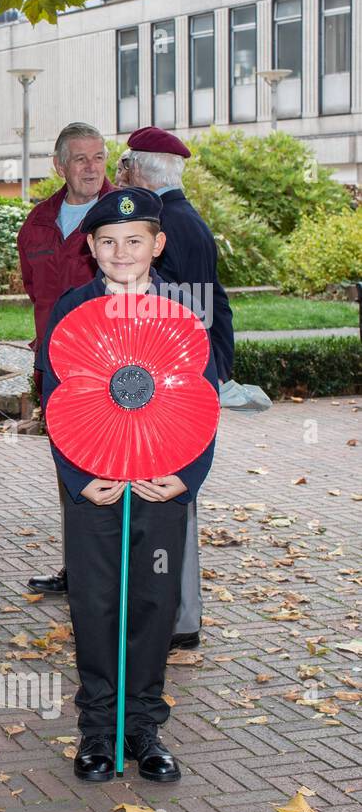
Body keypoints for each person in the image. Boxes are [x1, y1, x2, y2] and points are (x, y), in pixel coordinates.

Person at [37, 187, 218, 784]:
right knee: (94, 603)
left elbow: (203, 400)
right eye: (108, 241)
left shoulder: (181, 315)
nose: (121, 252)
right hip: (95, 488)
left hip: (160, 485)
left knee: (152, 603)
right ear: (91, 247)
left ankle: (142, 726)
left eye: (134, 241)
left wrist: (185, 480)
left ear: (157, 245)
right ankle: (96, 731)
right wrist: (78, 479)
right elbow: (54, 399)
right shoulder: (71, 310)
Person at [125, 126, 236, 653]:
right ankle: (175, 614)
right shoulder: (186, 220)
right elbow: (216, 307)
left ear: (141, 170)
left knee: (170, 500)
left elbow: (182, 316)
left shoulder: (167, 225)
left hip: (172, 381)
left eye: (125, 165)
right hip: (187, 377)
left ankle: (177, 618)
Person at [18, 121, 116, 596]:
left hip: (112, 371)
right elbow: (35, 291)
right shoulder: (37, 222)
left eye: (99, 157)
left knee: (119, 467)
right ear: (59, 166)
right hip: (57, 371)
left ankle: (115, 571)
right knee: (70, 471)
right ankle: (79, 568)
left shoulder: (124, 218)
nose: (92, 167)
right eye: (80, 158)